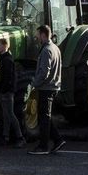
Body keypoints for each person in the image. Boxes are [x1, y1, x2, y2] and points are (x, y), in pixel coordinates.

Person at [29, 24, 65, 156]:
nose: (36, 37)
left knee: (43, 118)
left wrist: (34, 83)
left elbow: (44, 71)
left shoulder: (46, 50)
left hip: (46, 87)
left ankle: (43, 146)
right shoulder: (55, 48)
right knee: (46, 116)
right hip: (53, 86)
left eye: (37, 34)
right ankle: (58, 140)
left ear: (43, 35)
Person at [0, 37, 23, 147]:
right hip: (4, 91)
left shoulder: (7, 60)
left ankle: (20, 137)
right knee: (6, 115)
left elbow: (9, 78)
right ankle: (5, 137)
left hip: (7, 92)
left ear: (5, 46)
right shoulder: (3, 58)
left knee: (10, 114)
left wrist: (5, 90)